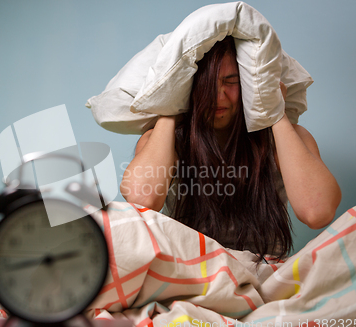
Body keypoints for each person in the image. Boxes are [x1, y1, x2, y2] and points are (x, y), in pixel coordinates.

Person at [120, 36, 341, 261]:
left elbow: (317, 213)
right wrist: (169, 108)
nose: (219, 95)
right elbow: (142, 200)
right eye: (206, 84)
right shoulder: (162, 140)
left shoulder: (289, 138)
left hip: (265, 276)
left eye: (231, 81)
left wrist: (276, 113)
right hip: (193, 276)